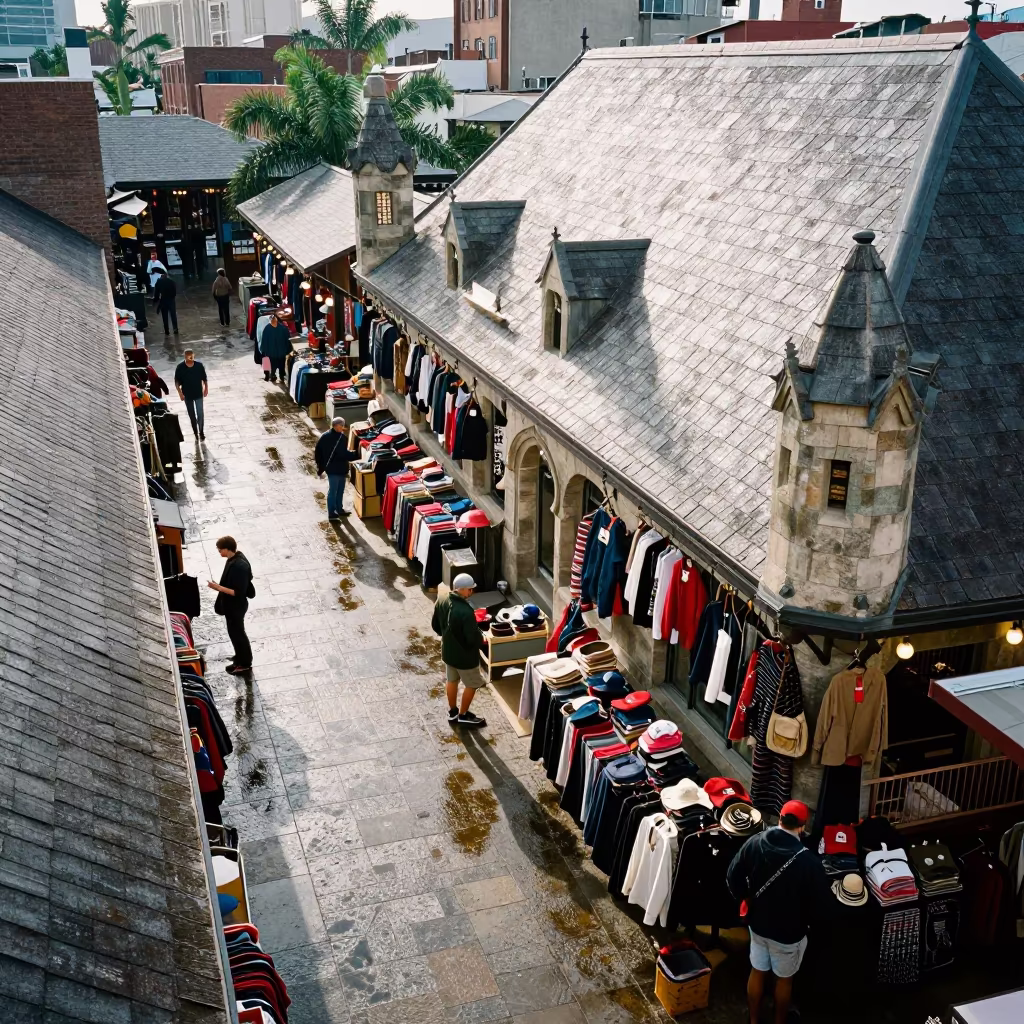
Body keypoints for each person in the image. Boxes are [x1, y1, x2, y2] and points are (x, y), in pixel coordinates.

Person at [726, 800, 830, 1024]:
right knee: (784, 981)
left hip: (758, 924)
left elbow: (732, 876)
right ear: (802, 826)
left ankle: (754, 1021)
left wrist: (746, 897)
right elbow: (819, 905)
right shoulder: (809, 862)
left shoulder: (755, 842)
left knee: (757, 971)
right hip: (789, 932)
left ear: (780, 818)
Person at [431, 574, 486, 727]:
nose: (471, 592)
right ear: (461, 590)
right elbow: (471, 639)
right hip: (465, 657)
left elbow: (435, 626)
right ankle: (463, 715)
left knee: (451, 680)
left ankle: (453, 711)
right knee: (473, 683)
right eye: (470, 590)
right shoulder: (466, 612)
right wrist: (481, 639)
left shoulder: (441, 599)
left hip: (448, 651)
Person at [208, 536, 254, 675]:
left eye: (220, 549)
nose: (219, 552)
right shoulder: (234, 560)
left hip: (236, 606)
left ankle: (245, 663)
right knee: (234, 633)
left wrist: (218, 588)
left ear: (228, 549)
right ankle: (239, 658)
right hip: (231, 606)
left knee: (238, 634)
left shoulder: (239, 566)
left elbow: (237, 592)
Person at [315, 417, 356, 519]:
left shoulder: (326, 436)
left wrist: (321, 465)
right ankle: (332, 513)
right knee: (334, 491)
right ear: (336, 426)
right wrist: (356, 454)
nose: (342, 427)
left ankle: (339, 509)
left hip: (337, 468)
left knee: (339, 489)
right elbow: (343, 454)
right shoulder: (339, 438)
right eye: (341, 425)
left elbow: (317, 452)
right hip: (335, 469)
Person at [174, 349, 209, 439]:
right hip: (187, 395)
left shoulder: (199, 366)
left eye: (191, 356)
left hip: (198, 394)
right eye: (188, 356)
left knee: (200, 413)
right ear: (185, 356)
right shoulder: (180, 367)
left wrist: (206, 389)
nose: (190, 358)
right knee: (192, 415)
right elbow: (177, 382)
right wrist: (180, 393)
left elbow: (204, 378)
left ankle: (201, 432)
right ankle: (195, 432)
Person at [259, 312, 292, 383]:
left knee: (281, 365)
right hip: (272, 352)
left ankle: (281, 376)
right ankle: (273, 375)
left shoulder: (283, 329)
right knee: (273, 365)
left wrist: (288, 349)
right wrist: (264, 351)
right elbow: (264, 341)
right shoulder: (267, 329)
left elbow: (287, 340)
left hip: (280, 352)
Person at [153, 268, 178, 334]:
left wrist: (156, 300)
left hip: (163, 300)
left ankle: (167, 330)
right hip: (171, 300)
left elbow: (156, 293)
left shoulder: (159, 282)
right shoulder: (171, 281)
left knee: (165, 316)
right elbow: (174, 292)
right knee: (173, 315)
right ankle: (175, 329)